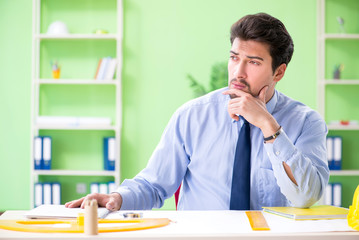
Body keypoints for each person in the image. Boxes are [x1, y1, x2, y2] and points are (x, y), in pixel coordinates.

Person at [65, 13, 329, 211]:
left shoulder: (307, 122)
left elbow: (306, 196)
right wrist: (118, 198)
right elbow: (154, 185)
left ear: (279, 72)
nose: (238, 72)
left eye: (254, 62)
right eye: (235, 57)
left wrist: (269, 126)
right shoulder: (192, 116)